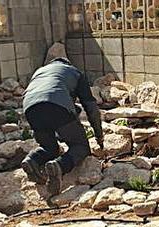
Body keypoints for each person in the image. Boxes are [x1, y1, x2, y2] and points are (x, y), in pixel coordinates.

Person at [21, 57, 104, 197]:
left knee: (49, 148)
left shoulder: (39, 72)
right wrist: (99, 135)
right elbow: (91, 107)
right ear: (68, 64)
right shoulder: (75, 73)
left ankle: (32, 160)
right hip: (57, 107)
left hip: (30, 108)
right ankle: (59, 166)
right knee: (81, 147)